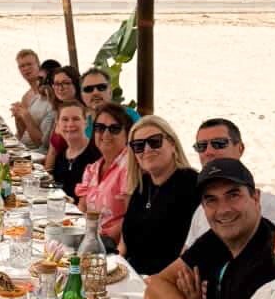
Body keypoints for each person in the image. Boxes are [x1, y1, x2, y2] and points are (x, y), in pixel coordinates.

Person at [144, 158, 275, 299]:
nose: (223, 210)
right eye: (211, 200)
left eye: (233, 195)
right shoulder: (217, 239)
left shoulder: (273, 257)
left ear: (256, 198)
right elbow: (155, 287)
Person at [119, 115, 199, 277]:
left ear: (172, 144)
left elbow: (193, 250)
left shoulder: (191, 184)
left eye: (154, 141)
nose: (147, 149)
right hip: (132, 275)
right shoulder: (143, 185)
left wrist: (158, 283)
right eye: (138, 146)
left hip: (166, 281)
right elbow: (124, 243)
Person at [185, 118, 275, 246]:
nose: (209, 152)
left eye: (219, 143)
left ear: (240, 148)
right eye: (201, 146)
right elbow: (185, 261)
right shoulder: (200, 212)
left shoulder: (271, 206)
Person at [74, 102, 132, 249]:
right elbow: (82, 207)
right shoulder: (93, 168)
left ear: (127, 134)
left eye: (114, 129)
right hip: (90, 239)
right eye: (99, 128)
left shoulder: (129, 168)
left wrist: (98, 240)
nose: (105, 134)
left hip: (111, 246)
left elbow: (132, 218)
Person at [44, 101, 99, 200]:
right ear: (58, 124)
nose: (70, 124)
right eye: (65, 119)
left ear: (86, 122)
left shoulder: (96, 153)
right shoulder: (61, 156)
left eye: (76, 119)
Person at [13, 47, 56, 149]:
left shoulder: (49, 93)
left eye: (29, 64)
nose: (26, 68)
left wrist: (26, 116)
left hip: (37, 151)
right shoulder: (26, 96)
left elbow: (43, 143)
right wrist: (17, 117)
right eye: (22, 66)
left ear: (38, 65)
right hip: (23, 146)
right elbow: (21, 132)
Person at [79, 67, 139, 134]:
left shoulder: (130, 116)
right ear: (82, 95)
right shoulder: (77, 125)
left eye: (101, 87)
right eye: (88, 89)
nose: (95, 92)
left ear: (110, 91)